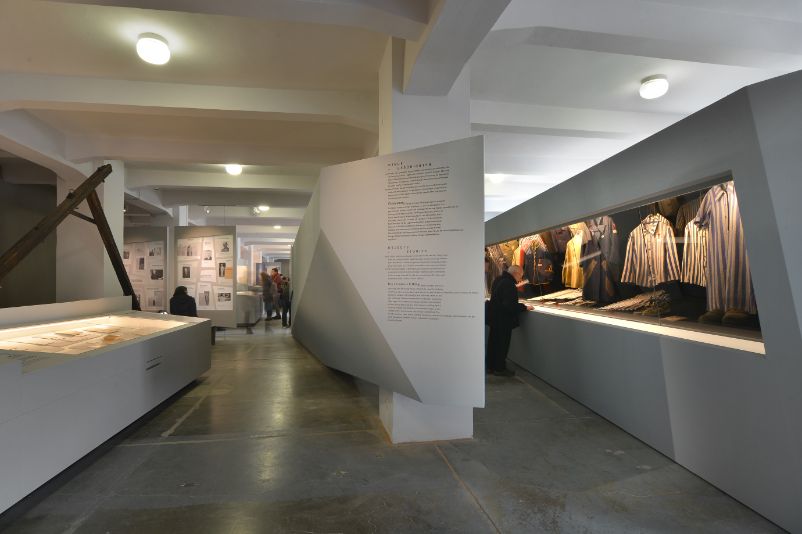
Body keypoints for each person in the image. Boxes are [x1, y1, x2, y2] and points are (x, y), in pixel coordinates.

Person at [486, 265, 533, 376]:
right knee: (502, 345)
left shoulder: (498, 279)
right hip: (503, 320)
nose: (520, 279)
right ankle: (499, 368)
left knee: (493, 343)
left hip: (495, 318)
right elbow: (509, 306)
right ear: (516, 273)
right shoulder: (509, 284)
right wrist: (524, 307)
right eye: (520, 276)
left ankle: (491, 366)